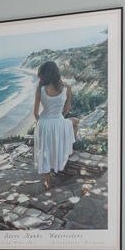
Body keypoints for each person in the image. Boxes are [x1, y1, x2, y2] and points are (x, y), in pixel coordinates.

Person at [32, 59, 75, 191]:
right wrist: (58, 118)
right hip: (58, 121)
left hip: (44, 123)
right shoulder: (67, 88)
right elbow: (67, 110)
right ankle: (69, 146)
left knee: (44, 151)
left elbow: (35, 113)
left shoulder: (41, 89)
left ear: (43, 74)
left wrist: (42, 123)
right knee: (74, 122)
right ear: (56, 73)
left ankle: (47, 181)